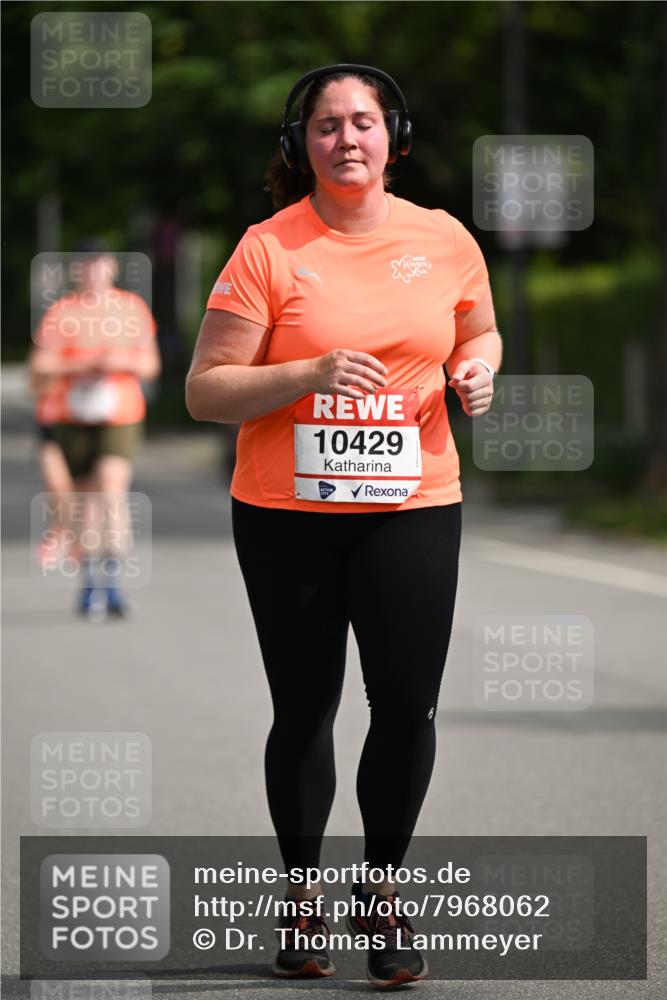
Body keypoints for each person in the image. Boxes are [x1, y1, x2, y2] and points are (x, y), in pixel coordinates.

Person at [186, 64, 501, 988]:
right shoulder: (268, 249)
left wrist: (479, 373)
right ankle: (300, 895)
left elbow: (477, 332)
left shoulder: (442, 239)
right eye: (326, 126)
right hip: (288, 513)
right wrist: (307, 373)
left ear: (392, 136)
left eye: (363, 122)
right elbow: (206, 390)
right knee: (307, 706)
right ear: (301, 147)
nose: (347, 138)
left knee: (406, 703)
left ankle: (384, 888)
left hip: (412, 505)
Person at [28, 239, 161, 618]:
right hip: (72, 417)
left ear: (112, 269)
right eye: (86, 265)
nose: (93, 272)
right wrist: (81, 367)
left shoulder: (130, 308)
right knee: (87, 502)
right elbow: (41, 366)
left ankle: (114, 584)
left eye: (100, 264)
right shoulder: (62, 312)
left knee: (111, 488)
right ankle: (90, 586)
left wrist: (117, 362)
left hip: (119, 414)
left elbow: (150, 366)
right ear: (77, 270)